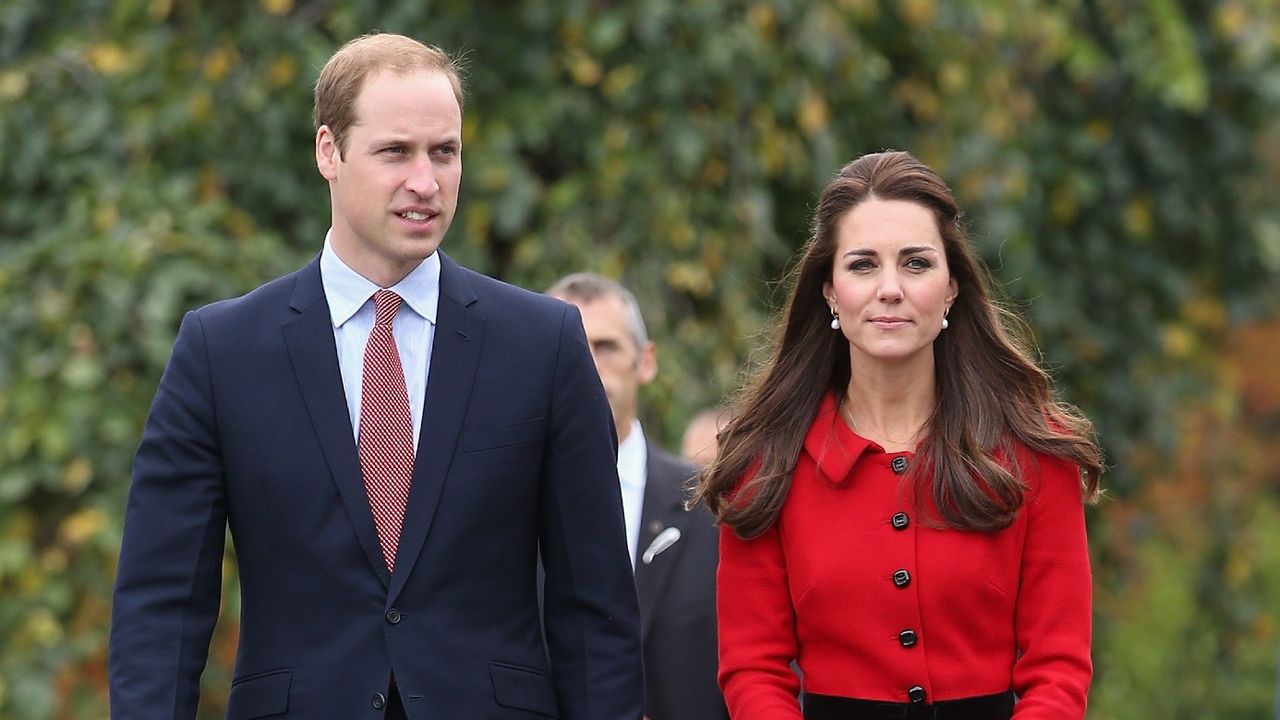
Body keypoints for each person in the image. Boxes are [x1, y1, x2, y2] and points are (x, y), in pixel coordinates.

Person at [109, 33, 643, 719]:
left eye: (444, 152)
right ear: (329, 151)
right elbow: (161, 606)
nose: (425, 181)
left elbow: (594, 609)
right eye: (396, 151)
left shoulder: (544, 344)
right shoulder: (221, 351)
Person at [692, 150, 1104, 719]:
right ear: (831, 291)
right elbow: (753, 668)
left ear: (952, 287)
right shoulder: (766, 465)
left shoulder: (1033, 451)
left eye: (915, 263)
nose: (890, 288)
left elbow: (1058, 671)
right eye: (863, 265)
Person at [548, 273, 728, 720]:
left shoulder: (713, 505)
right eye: (565, 347)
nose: (586, 365)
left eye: (605, 347)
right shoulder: (497, 506)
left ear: (645, 362)